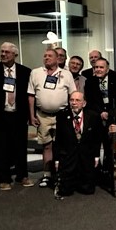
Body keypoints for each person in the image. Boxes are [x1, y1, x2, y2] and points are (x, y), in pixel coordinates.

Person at [0, 42, 34, 190]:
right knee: (1, 147)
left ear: (15, 55)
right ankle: (3, 178)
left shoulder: (25, 71)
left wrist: (30, 116)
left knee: (20, 146)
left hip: (19, 115)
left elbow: (29, 95)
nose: (3, 54)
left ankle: (22, 175)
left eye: (7, 52)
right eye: (2, 52)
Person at [28, 48, 76, 188]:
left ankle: (62, 173)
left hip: (62, 116)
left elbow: (72, 96)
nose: (46, 58)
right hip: (42, 115)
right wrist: (31, 116)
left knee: (63, 146)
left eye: (50, 56)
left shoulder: (66, 74)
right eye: (45, 56)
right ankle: (46, 175)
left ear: (57, 59)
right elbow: (30, 96)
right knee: (46, 146)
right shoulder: (36, 73)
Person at [53, 91, 103, 196]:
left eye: (77, 100)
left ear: (84, 103)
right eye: (72, 100)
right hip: (69, 156)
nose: (74, 103)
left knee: (88, 190)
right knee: (65, 191)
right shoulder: (62, 116)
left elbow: (97, 139)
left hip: (86, 156)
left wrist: (96, 156)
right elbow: (58, 140)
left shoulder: (93, 116)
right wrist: (57, 159)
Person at [84, 58, 116, 177]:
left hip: (112, 116)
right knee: (96, 145)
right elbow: (90, 101)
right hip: (96, 116)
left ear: (107, 69)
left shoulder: (115, 79)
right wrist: (101, 112)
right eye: (96, 67)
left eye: (101, 67)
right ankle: (96, 171)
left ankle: (109, 172)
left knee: (109, 146)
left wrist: (109, 113)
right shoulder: (90, 82)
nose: (98, 69)